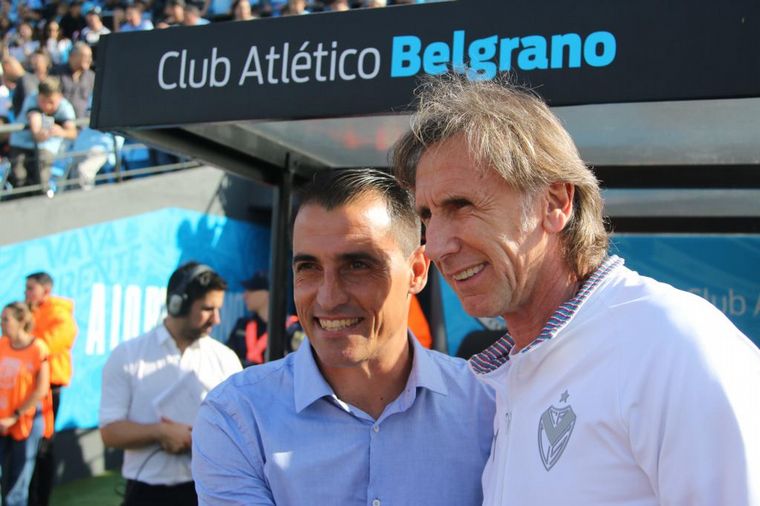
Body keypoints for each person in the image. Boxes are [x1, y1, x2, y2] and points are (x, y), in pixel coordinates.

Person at [392, 74, 760, 505]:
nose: (437, 245)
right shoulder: (514, 375)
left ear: (555, 204)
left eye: (461, 206)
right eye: (427, 215)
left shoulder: (673, 344)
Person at [193, 168, 495, 505]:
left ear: (417, 271)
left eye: (357, 265)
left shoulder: (490, 407)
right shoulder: (237, 416)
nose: (328, 298)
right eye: (308, 267)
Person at [99, 262, 241, 506]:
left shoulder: (225, 359)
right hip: (144, 493)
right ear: (178, 304)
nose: (216, 319)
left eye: (218, 309)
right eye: (208, 309)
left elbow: (240, 432)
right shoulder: (127, 355)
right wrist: (160, 432)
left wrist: (196, 439)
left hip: (206, 491)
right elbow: (110, 432)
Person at [23, 271, 76, 506]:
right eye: (26, 288)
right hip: (23, 388)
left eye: (30, 289)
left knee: (43, 445)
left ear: (46, 290)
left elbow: (46, 347)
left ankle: (39, 500)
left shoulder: (60, 315)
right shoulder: (27, 312)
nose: (26, 293)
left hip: (48, 389)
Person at [0, 302, 53, 506]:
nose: (2, 324)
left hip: (26, 423)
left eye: (6, 319)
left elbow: (41, 389)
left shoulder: (38, 348)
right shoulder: (2, 345)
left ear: (21, 321)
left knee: (16, 489)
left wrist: (15, 415)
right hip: (2, 422)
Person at [7, 77, 76, 196]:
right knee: (19, 176)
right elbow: (36, 128)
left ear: (59, 97)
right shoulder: (31, 100)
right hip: (22, 142)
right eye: (43, 101)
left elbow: (73, 132)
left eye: (51, 102)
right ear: (38, 96)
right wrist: (42, 133)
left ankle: (41, 198)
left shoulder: (65, 106)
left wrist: (61, 132)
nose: (47, 106)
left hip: (47, 146)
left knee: (42, 174)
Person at [225, 271, 300, 367]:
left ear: (267, 293)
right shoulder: (242, 325)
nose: (245, 296)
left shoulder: (292, 330)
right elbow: (227, 357)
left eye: (251, 290)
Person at [52, 42, 94, 119]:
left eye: (90, 57)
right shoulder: (56, 73)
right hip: (61, 121)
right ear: (73, 56)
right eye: (85, 56)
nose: (89, 60)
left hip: (84, 122)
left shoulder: (91, 77)